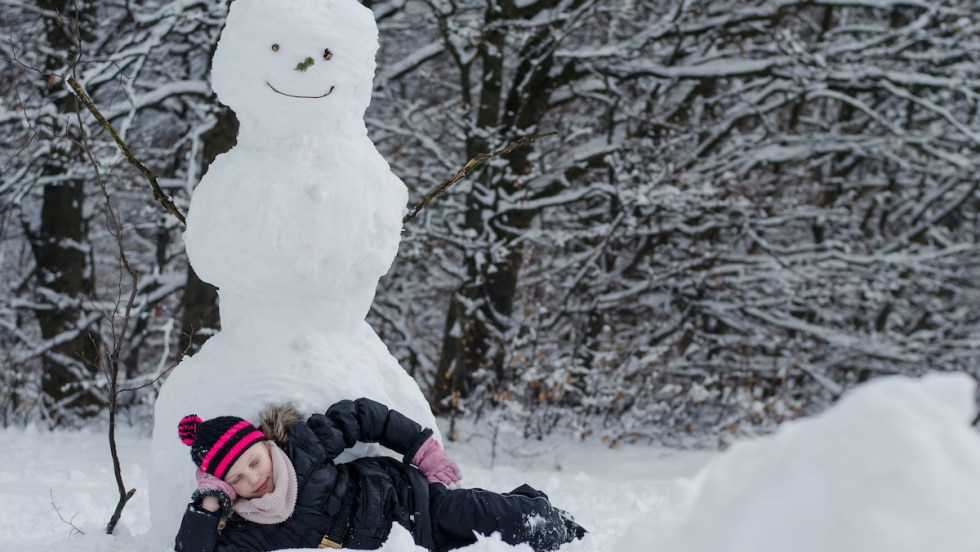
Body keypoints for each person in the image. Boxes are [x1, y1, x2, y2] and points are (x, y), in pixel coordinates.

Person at [175, 397, 586, 552]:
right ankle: (532, 502)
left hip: (411, 502)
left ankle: (560, 529)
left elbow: (363, 417)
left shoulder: (302, 447)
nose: (253, 477)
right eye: (237, 478)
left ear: (266, 446)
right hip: (397, 548)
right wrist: (208, 503)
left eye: (253, 461)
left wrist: (421, 448)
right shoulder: (251, 529)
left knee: (489, 516)